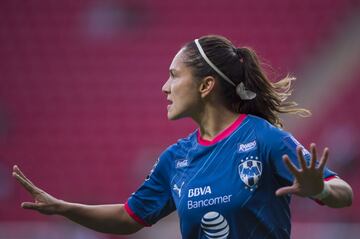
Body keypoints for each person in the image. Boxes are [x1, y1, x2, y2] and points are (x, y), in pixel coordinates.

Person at [13, 35, 353, 239]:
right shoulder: (176, 158)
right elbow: (129, 217)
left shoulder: (263, 138)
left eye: (174, 76)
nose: (165, 86)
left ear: (206, 86)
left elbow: (344, 193)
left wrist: (319, 188)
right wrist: (63, 208)